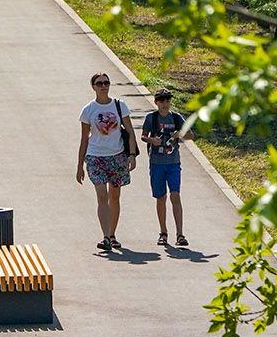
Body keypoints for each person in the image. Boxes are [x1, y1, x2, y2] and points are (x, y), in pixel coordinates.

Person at [76, 72, 134, 251]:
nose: (103, 86)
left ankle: (113, 234)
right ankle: (106, 237)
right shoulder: (88, 110)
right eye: (99, 83)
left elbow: (130, 131)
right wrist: (80, 166)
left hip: (117, 156)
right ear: (93, 87)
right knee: (102, 196)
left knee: (114, 197)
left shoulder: (119, 105)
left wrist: (132, 155)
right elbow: (84, 138)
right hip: (95, 157)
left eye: (106, 83)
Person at [143, 88, 191, 247]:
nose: (165, 104)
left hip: (173, 163)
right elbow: (143, 136)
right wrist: (152, 140)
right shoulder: (151, 118)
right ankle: (163, 232)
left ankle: (180, 234)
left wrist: (180, 133)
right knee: (161, 197)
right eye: (162, 101)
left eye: (167, 101)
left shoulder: (176, 118)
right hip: (156, 163)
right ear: (156, 102)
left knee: (175, 195)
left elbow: (191, 135)